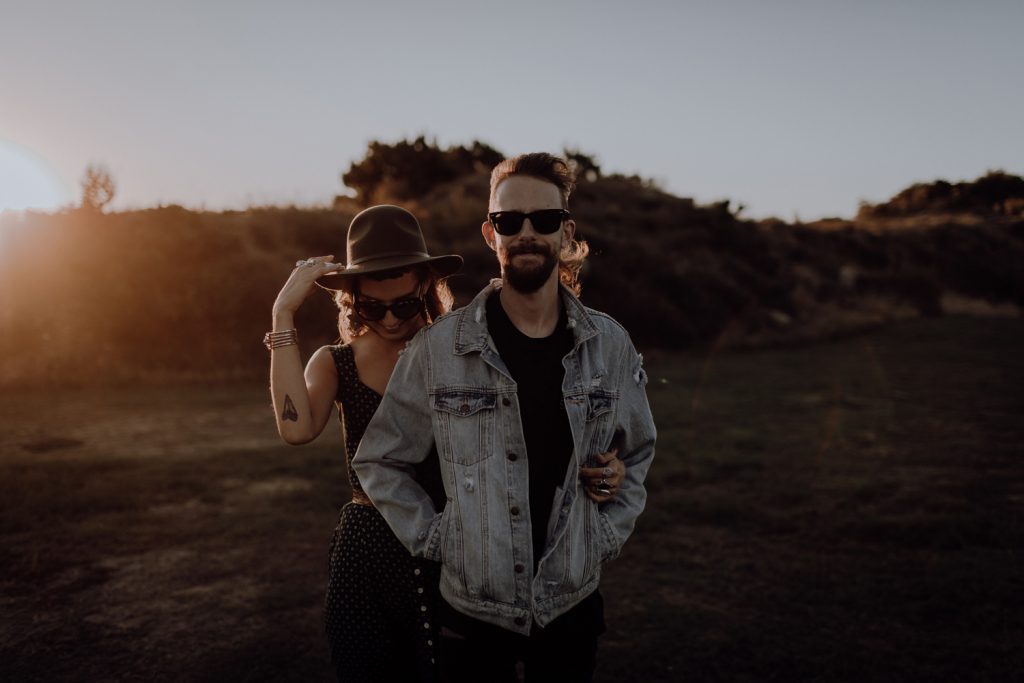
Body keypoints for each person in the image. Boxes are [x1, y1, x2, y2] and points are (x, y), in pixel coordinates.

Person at [265, 204, 626, 682]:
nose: (391, 319)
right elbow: (295, 429)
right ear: (351, 300)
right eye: (373, 307)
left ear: (425, 288)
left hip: (460, 539)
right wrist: (282, 312)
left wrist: (607, 465)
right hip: (368, 548)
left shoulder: (462, 352)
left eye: (404, 304)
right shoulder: (336, 362)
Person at [352, 153, 657, 682]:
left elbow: (636, 450)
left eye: (543, 219)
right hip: (471, 613)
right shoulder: (438, 349)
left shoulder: (609, 345)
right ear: (491, 234)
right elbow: (380, 460)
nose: (527, 234)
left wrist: (604, 536)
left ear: (566, 231)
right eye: (510, 221)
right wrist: (435, 538)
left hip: (571, 608)